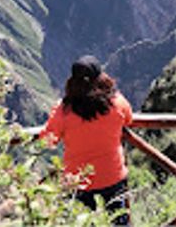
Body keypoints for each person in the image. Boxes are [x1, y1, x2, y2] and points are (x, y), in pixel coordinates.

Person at [40, 56, 133, 225]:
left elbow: (47, 141)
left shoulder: (64, 112)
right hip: (112, 176)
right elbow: (128, 119)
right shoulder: (117, 104)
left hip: (78, 181)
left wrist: (56, 109)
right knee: (119, 221)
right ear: (101, 78)